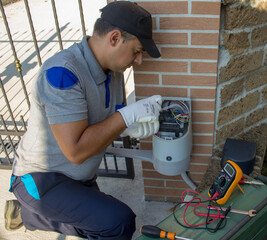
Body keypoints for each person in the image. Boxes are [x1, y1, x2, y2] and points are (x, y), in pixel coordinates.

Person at [4, 1, 162, 239]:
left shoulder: (115, 71)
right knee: (118, 222)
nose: (138, 60)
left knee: (102, 223)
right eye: (137, 51)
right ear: (115, 38)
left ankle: (26, 215)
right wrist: (126, 117)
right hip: (42, 178)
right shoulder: (63, 72)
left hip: (79, 177)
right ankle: (30, 211)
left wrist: (128, 126)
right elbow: (76, 151)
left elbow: (110, 120)